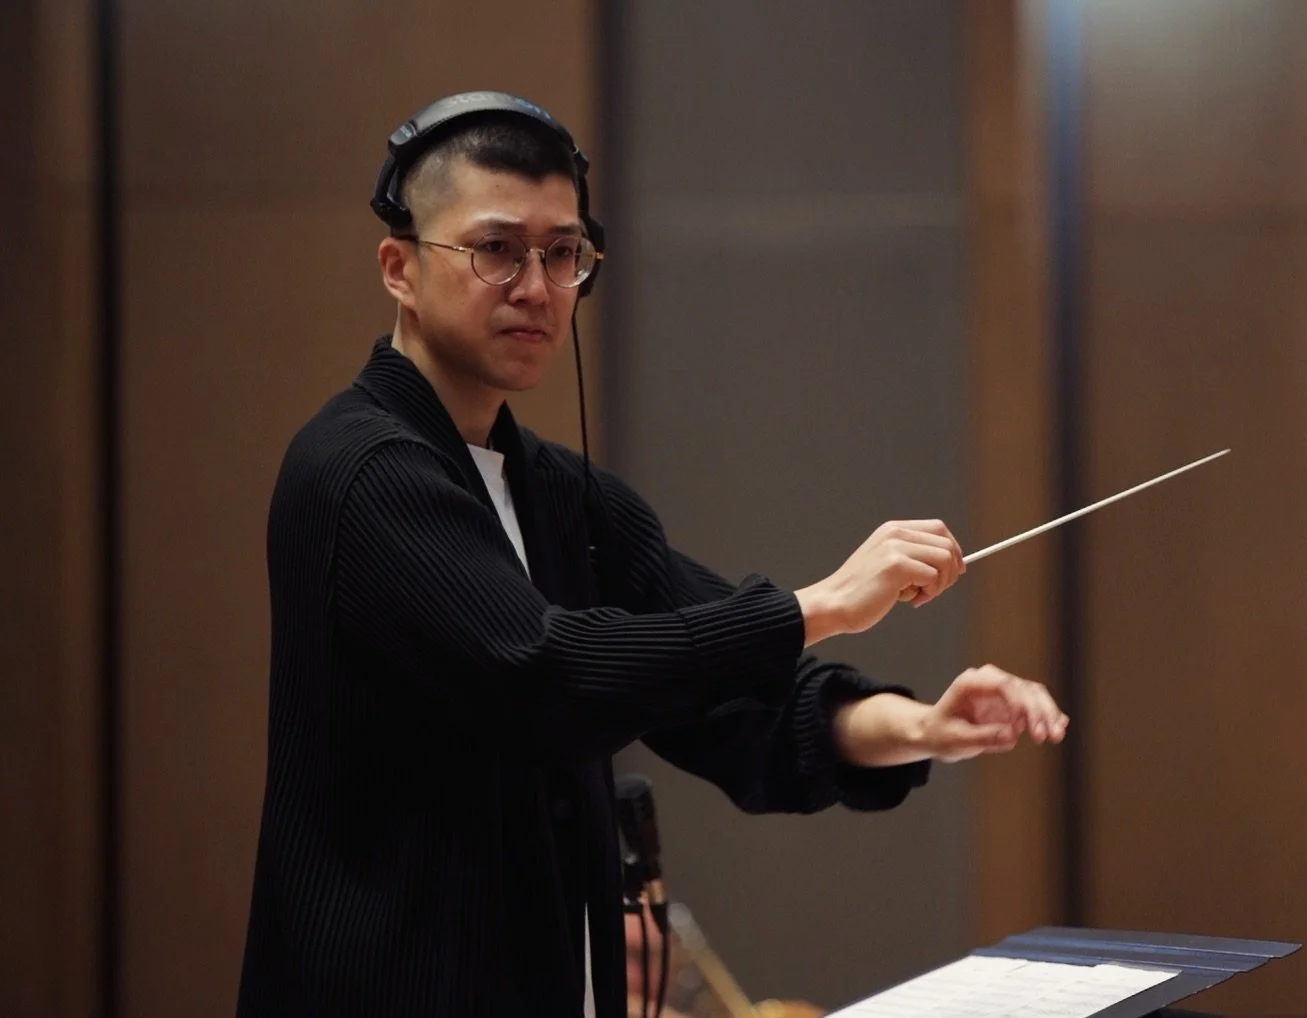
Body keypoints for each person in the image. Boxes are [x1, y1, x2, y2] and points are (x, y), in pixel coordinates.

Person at [235, 91, 1068, 1018]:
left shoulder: (560, 493)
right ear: (399, 267)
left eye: (564, 254)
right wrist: (818, 603)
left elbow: (730, 692)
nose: (538, 287)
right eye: (496, 249)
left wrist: (918, 727)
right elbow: (550, 676)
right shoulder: (358, 471)